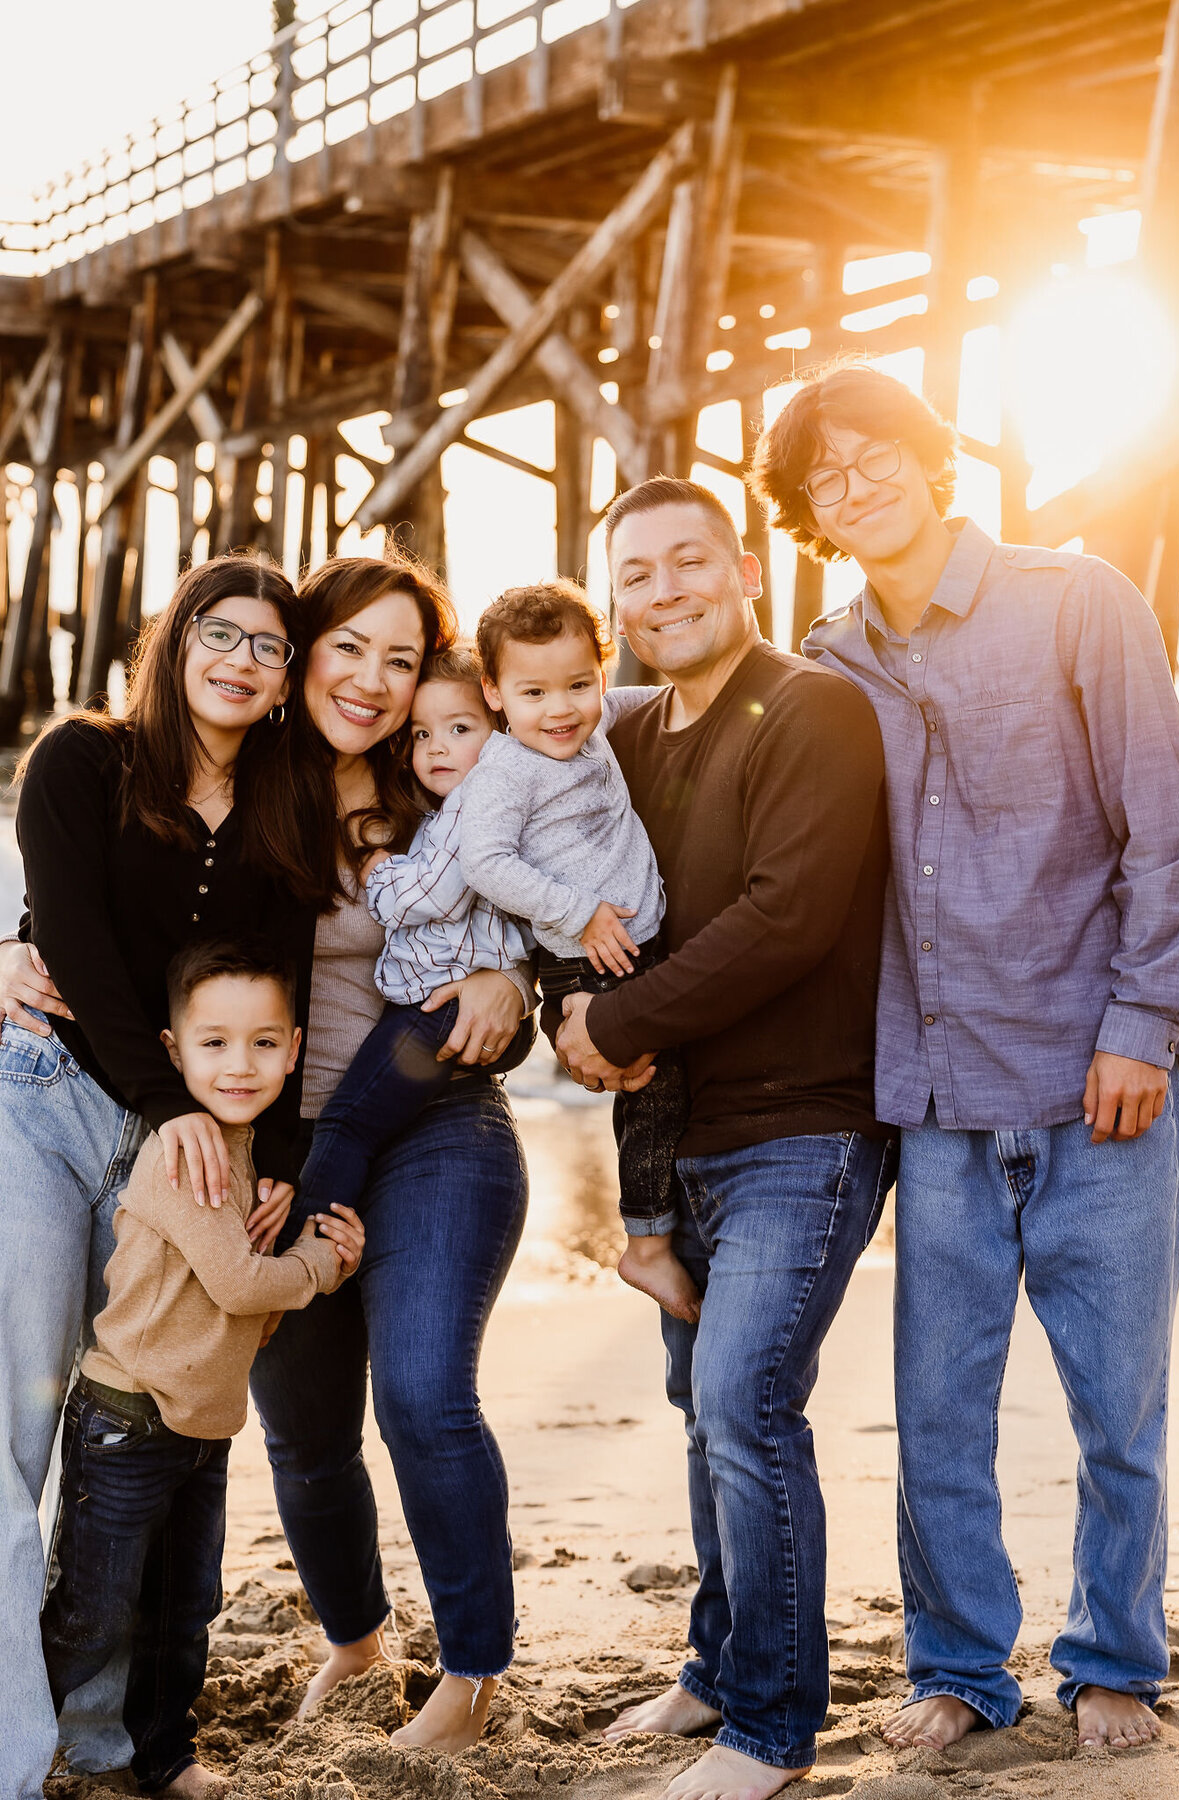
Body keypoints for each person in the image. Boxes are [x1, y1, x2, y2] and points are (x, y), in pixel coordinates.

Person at [752, 358, 1179, 1754]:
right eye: (821, 473)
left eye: (872, 449)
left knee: (1116, 1413)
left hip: (1098, 1089)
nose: (852, 480)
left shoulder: (1080, 603)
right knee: (936, 1419)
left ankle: (1114, 1658)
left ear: (930, 455)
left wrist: (1145, 1027)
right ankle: (957, 1672)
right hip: (931, 1105)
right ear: (809, 513)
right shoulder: (823, 663)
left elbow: (1168, 831)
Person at [554, 477, 896, 1800]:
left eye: (688, 561)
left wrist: (616, 1016)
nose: (665, 591)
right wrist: (560, 1013)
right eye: (635, 575)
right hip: (679, 1137)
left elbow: (788, 914)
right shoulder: (628, 739)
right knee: (706, 1411)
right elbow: (560, 893)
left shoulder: (816, 708)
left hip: (802, 1130)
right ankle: (713, 1671)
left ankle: (772, 1729)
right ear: (617, 606)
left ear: (743, 568)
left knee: (747, 1402)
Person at [0, 556, 319, 1800]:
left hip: (189, 1146)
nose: (243, 661)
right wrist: (167, 1101)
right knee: (18, 1427)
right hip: (52, 1108)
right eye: (220, 634)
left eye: (272, 646)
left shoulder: (287, 805)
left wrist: (275, 1156)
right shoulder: (79, 760)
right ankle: (22, 1762)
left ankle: (105, 1736)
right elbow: (66, 936)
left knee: (141, 1420)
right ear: (176, 639)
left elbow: (283, 992)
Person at [245, 552, 535, 1752]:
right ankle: (358, 1640)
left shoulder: (446, 788)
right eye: (349, 646)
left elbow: (553, 874)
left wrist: (512, 979)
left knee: (422, 1392)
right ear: (303, 649)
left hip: (436, 1129)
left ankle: (470, 1677)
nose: (372, 680)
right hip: (277, 1145)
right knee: (305, 1430)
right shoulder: (232, 787)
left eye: (401, 658)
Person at [41, 937, 364, 1800]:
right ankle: (27, 1738)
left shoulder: (252, 1151)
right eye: (214, 1043)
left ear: (295, 1049)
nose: (240, 1064)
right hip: (127, 1419)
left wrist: (300, 1249)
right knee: (93, 1613)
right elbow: (240, 1281)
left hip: (201, 1429)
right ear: (172, 1051)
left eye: (264, 1042)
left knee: (181, 1613)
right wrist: (324, 1265)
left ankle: (164, 1755)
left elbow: (244, 1296)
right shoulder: (186, 1157)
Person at [460, 579, 697, 1323]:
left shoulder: (590, 731)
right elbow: (485, 862)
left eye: (577, 684)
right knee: (650, 1089)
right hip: (585, 957)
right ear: (494, 693)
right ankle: (648, 1243)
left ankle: (679, 1215)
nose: (558, 709)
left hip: (639, 941)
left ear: (605, 671)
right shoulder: (507, 769)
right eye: (533, 692)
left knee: (675, 1080)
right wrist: (579, 913)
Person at [295, 641, 529, 1224]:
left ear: (501, 727)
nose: (437, 748)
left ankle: (308, 1240)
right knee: (355, 1125)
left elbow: (427, 899)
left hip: (438, 1006)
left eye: (459, 728)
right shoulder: (442, 807)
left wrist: (379, 871)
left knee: (347, 1123)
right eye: (422, 734)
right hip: (436, 1003)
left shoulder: (474, 807)